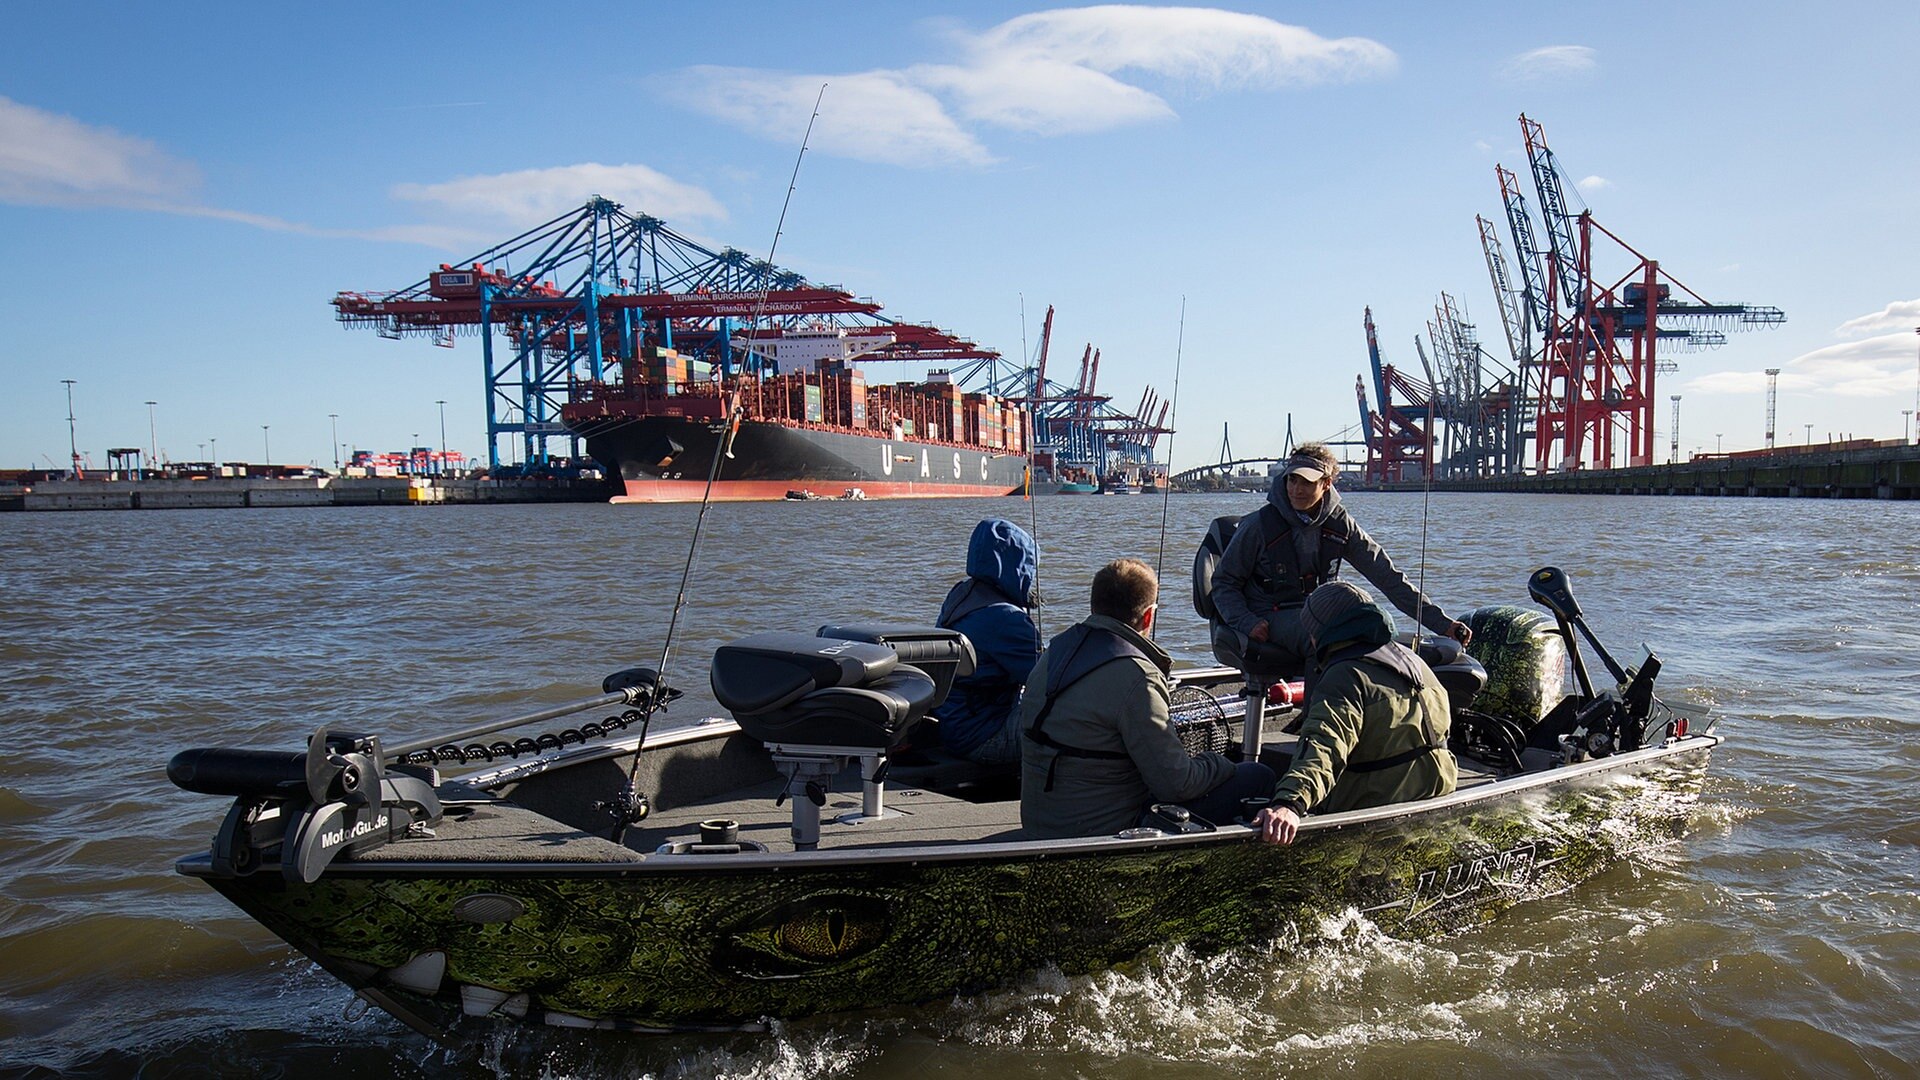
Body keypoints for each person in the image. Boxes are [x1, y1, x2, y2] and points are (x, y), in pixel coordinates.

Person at [1020, 558, 1276, 839]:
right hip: (1102, 830)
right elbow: (1177, 785)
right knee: (1257, 775)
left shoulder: (1054, 652)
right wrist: (1220, 762)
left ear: (1094, 605)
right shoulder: (1137, 676)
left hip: (1039, 823)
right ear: (1148, 616)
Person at [1209, 442, 1471, 677]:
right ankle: (1319, 724)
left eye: (1307, 483)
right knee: (1327, 639)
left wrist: (1442, 623)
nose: (1297, 490)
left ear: (1326, 484)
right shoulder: (1258, 525)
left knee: (1377, 628)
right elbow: (1222, 583)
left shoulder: (1340, 525)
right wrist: (1247, 622)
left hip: (1318, 610)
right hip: (1268, 613)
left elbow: (1387, 576)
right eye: (1292, 480)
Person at [1255, 581, 1458, 845]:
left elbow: (1324, 745)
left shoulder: (1346, 675)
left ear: (1323, 630)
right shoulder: (1414, 662)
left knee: (1255, 779)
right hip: (1438, 799)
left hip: (1377, 816)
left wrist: (1289, 803)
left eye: (1311, 631)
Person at [934, 518, 1043, 764]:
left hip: (955, 725)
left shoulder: (962, 594)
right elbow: (1048, 680)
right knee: (1077, 717)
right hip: (984, 734)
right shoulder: (1005, 617)